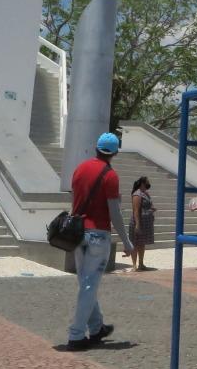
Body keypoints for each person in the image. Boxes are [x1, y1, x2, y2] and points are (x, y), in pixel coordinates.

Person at [65, 132, 134, 351]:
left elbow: (74, 198)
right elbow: (115, 212)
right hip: (97, 235)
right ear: (114, 152)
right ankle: (76, 335)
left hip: (77, 234)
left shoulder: (80, 169)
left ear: (96, 148)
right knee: (89, 285)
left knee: (86, 283)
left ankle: (96, 328)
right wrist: (127, 241)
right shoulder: (110, 176)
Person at [129, 177, 156, 271]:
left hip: (145, 223)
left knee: (142, 243)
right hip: (138, 222)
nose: (148, 184)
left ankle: (141, 264)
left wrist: (151, 209)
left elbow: (149, 205)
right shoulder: (137, 194)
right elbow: (136, 210)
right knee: (135, 243)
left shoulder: (146, 194)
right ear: (142, 183)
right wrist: (137, 224)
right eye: (147, 183)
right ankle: (134, 265)